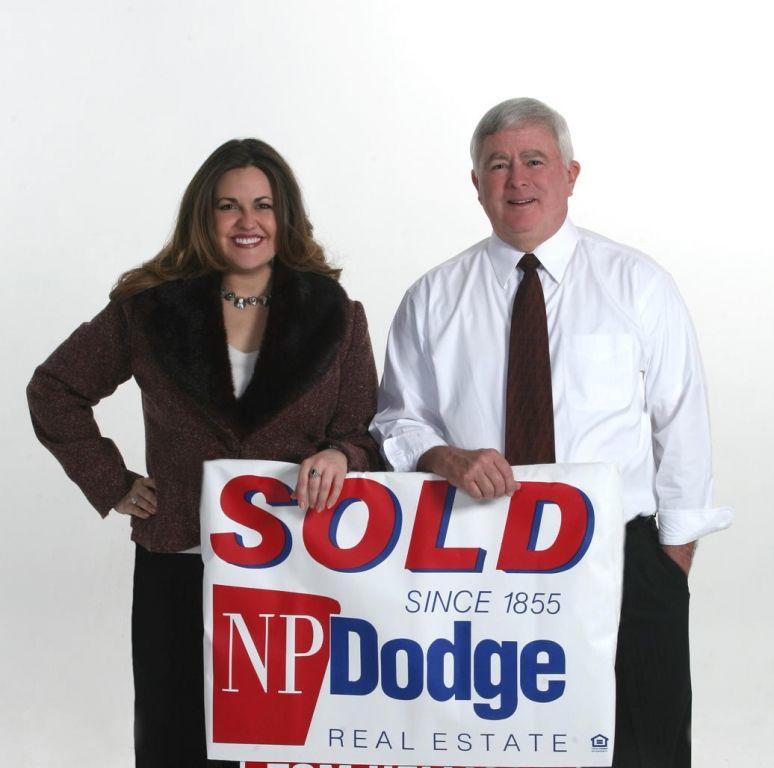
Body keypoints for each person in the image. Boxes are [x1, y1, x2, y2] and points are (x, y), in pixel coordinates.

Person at [370, 98, 732, 767]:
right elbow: (396, 417)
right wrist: (443, 455)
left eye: (534, 160)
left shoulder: (637, 283)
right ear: (475, 183)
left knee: (641, 748)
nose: (517, 180)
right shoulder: (432, 297)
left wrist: (669, 563)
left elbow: (681, 420)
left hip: (620, 554)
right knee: (497, 742)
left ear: (571, 174)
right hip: (480, 555)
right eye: (497, 165)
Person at [27, 138, 381, 767]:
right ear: (204, 216)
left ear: (285, 215)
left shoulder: (339, 316)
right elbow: (54, 390)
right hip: (178, 562)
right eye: (228, 206)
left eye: (263, 205)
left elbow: (364, 432)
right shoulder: (148, 310)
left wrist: (341, 457)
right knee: (175, 741)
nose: (248, 222)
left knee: (289, 743)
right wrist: (111, 482)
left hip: (297, 569)